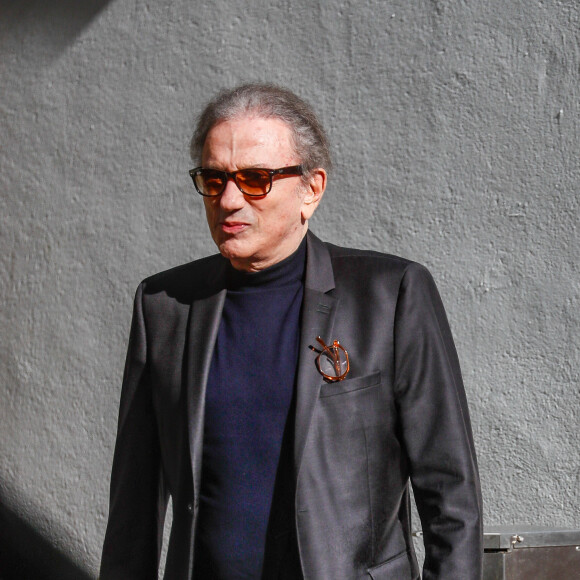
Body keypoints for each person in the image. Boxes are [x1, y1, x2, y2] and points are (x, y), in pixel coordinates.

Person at [100, 83, 483, 580]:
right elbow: (134, 504)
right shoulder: (165, 306)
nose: (230, 200)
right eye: (214, 180)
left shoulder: (390, 297)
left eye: (255, 179)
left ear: (312, 188)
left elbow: (451, 494)